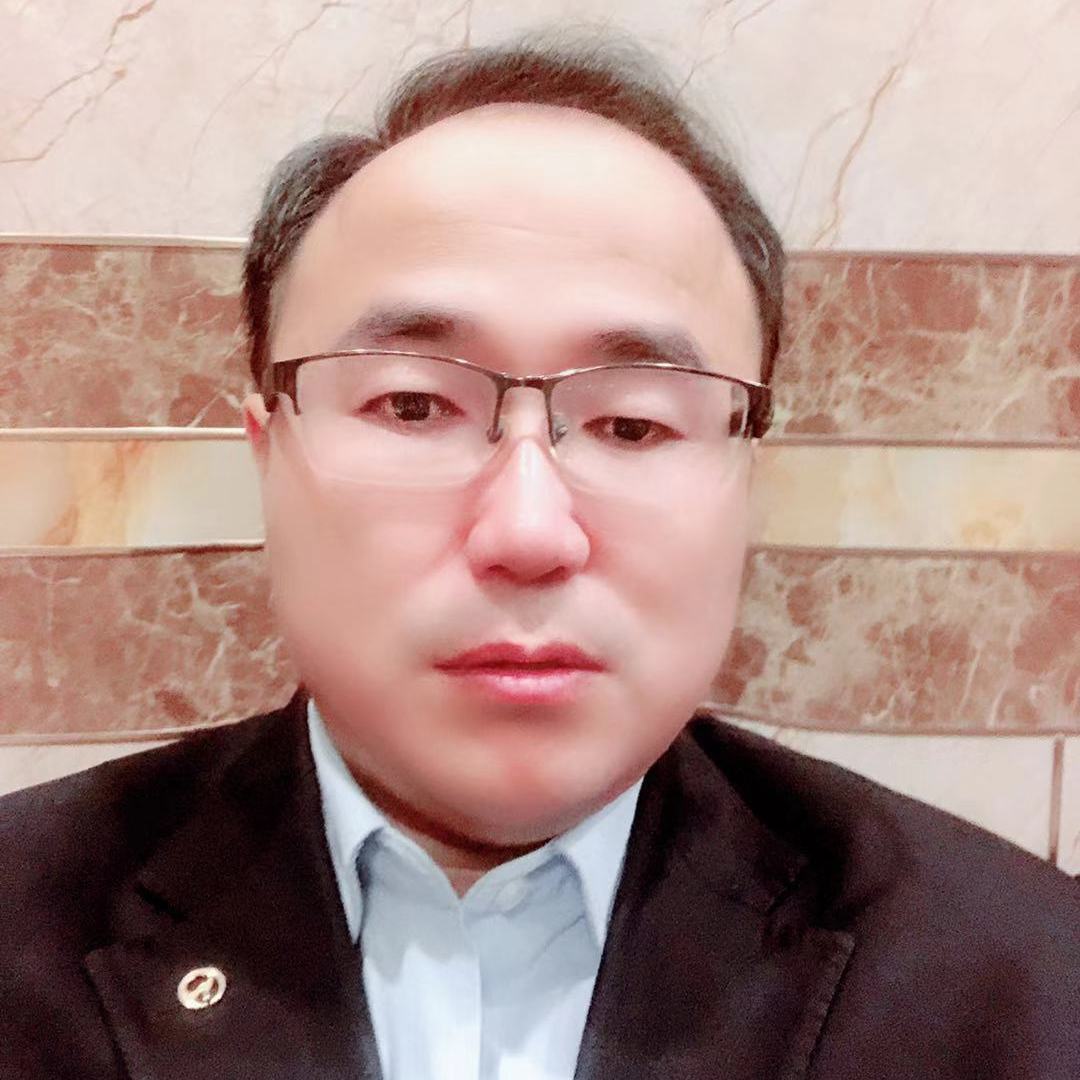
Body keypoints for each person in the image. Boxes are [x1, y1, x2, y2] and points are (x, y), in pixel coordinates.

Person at [2, 33, 1077, 1080]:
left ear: (747, 482)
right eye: (412, 405)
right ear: (267, 454)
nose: (526, 533)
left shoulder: (1025, 989)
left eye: (633, 424)